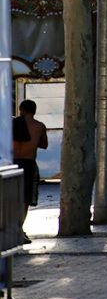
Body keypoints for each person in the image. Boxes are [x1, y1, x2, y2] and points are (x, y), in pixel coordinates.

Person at [12, 99, 48, 244]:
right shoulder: (39, 126)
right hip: (29, 163)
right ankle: (19, 230)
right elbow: (44, 145)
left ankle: (8, 229)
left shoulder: (11, 124)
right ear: (34, 111)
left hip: (12, 163)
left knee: (10, 197)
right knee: (25, 199)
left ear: (21, 110)